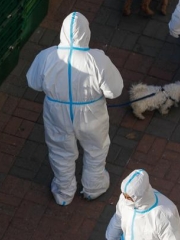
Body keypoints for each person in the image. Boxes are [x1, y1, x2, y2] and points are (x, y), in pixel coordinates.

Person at [26, 12, 123, 206]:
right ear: (86, 32)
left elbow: (33, 83)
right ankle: (93, 188)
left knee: (60, 150)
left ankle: (64, 192)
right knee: (96, 148)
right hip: (91, 113)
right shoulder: (97, 59)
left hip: (56, 112)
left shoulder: (47, 56)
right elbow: (115, 90)